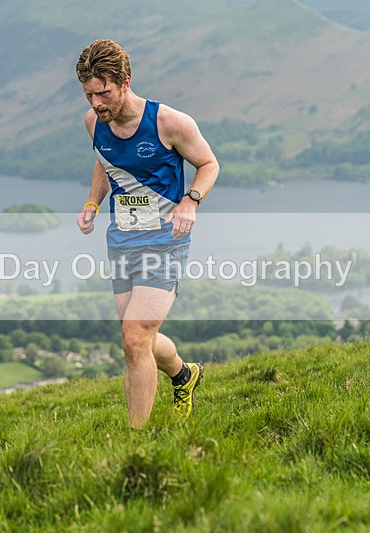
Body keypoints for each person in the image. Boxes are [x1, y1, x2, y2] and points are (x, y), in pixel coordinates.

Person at [75, 39, 220, 428]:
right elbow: (105, 163)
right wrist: (91, 203)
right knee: (138, 336)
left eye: (103, 93)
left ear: (125, 81)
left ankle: (133, 443)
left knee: (135, 338)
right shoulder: (94, 122)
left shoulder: (170, 122)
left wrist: (190, 201)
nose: (96, 104)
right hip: (121, 240)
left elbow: (208, 164)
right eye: (89, 94)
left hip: (164, 241)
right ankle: (184, 376)